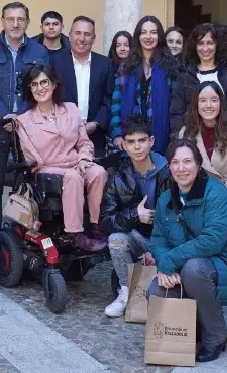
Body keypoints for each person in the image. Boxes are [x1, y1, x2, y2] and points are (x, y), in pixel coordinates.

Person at [147, 139, 227, 363]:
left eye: (187, 161)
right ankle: (192, 328)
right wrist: (165, 269)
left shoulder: (215, 193)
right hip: (187, 263)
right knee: (156, 291)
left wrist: (170, 261)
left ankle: (215, 335)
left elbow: (212, 241)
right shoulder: (166, 199)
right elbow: (158, 239)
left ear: (198, 164)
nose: (181, 168)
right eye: (175, 162)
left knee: (194, 269)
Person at [0, 2, 49, 233]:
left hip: (28, 129)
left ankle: (22, 234)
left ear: (27, 22)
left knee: (27, 185)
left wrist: (21, 118)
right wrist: (4, 115)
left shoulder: (39, 51)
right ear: (2, 20)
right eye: (10, 19)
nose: (15, 24)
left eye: (21, 19)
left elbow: (43, 87)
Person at [17, 65, 107, 251]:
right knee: (72, 177)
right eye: (34, 85)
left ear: (54, 85)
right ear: (29, 89)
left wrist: (83, 159)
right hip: (46, 169)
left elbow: (84, 142)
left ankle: (95, 224)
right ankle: (75, 234)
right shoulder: (24, 121)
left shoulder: (71, 110)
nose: (40, 88)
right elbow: (32, 160)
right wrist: (67, 169)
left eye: (44, 82)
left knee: (98, 172)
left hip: (75, 163)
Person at [99, 116, 170, 317]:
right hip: (138, 239)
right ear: (124, 145)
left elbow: (180, 218)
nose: (137, 147)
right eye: (131, 142)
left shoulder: (168, 172)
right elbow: (105, 222)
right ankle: (125, 291)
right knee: (116, 239)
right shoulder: (118, 177)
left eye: (141, 140)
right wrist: (134, 215)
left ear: (152, 141)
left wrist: (157, 249)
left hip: (167, 243)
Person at [178, 82, 227, 217]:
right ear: (196, 104)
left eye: (214, 100)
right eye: (203, 100)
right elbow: (185, 172)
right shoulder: (186, 133)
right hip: (198, 198)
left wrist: (222, 202)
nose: (209, 105)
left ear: (221, 103)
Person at [170, 23, 227, 138]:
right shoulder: (185, 77)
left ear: (217, 45)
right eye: (200, 43)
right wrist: (179, 140)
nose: (205, 48)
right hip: (193, 141)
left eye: (210, 43)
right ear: (195, 46)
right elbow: (176, 115)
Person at [110, 15, 178, 155]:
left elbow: (176, 108)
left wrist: (174, 137)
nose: (148, 37)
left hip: (162, 138)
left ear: (159, 36)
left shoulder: (170, 68)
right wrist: (117, 134)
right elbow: (116, 103)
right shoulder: (126, 68)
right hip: (130, 138)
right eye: (144, 32)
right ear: (138, 36)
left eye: (153, 32)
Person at [51, 16, 112, 155]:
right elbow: (49, 96)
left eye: (87, 34)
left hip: (94, 136)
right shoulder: (55, 61)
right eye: (78, 33)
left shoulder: (105, 64)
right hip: (61, 135)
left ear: (94, 38)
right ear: (69, 35)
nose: (82, 38)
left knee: (96, 175)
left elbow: (108, 98)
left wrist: (96, 123)